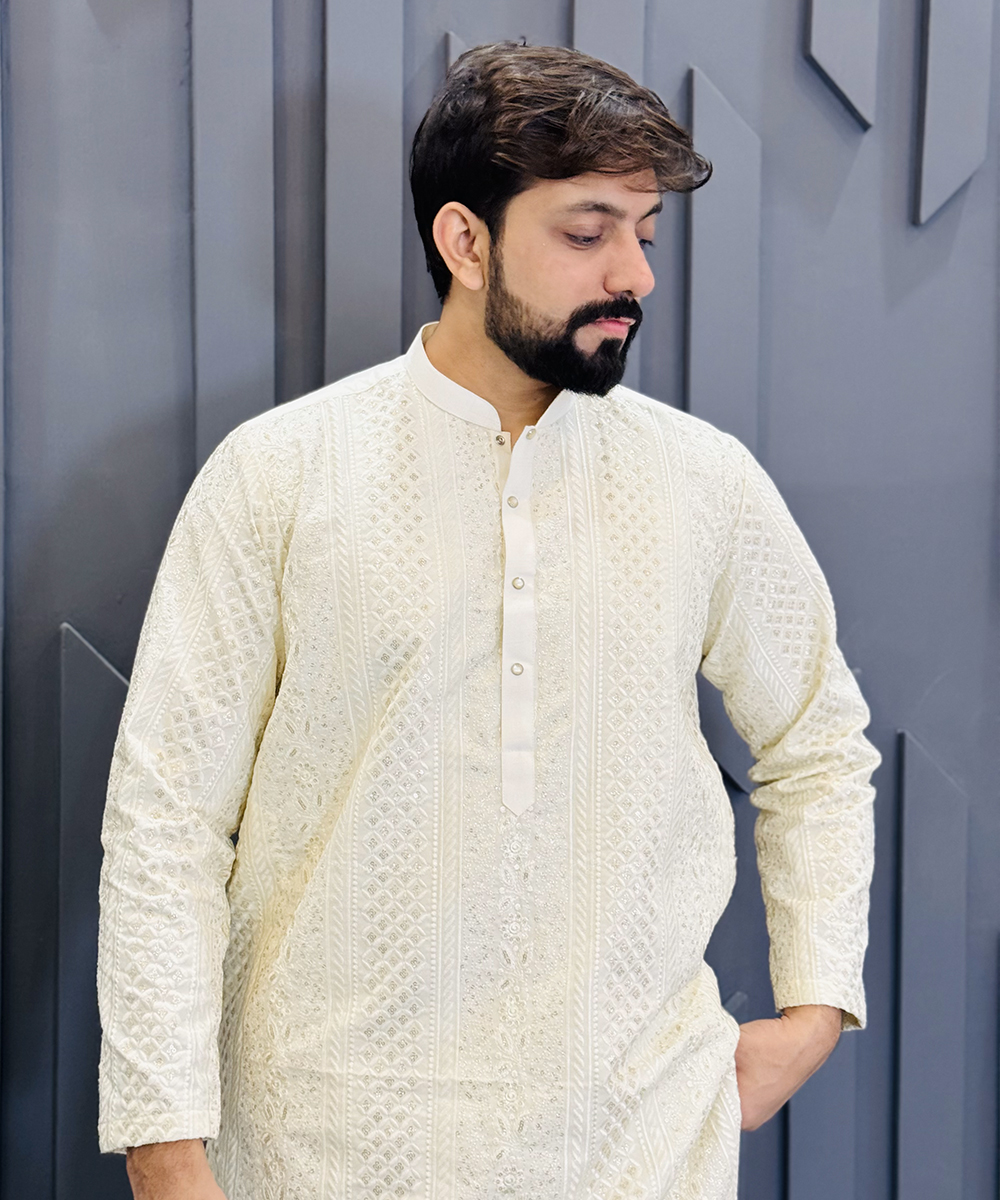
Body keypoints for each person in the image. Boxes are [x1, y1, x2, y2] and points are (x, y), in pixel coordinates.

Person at [98, 41, 879, 1200]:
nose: (635, 274)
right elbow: (166, 819)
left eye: (645, 233)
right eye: (587, 232)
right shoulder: (280, 476)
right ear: (465, 242)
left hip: (631, 1148)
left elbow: (815, 744)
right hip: (321, 1148)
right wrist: (164, 1144)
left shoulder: (702, 484)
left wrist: (814, 1008)